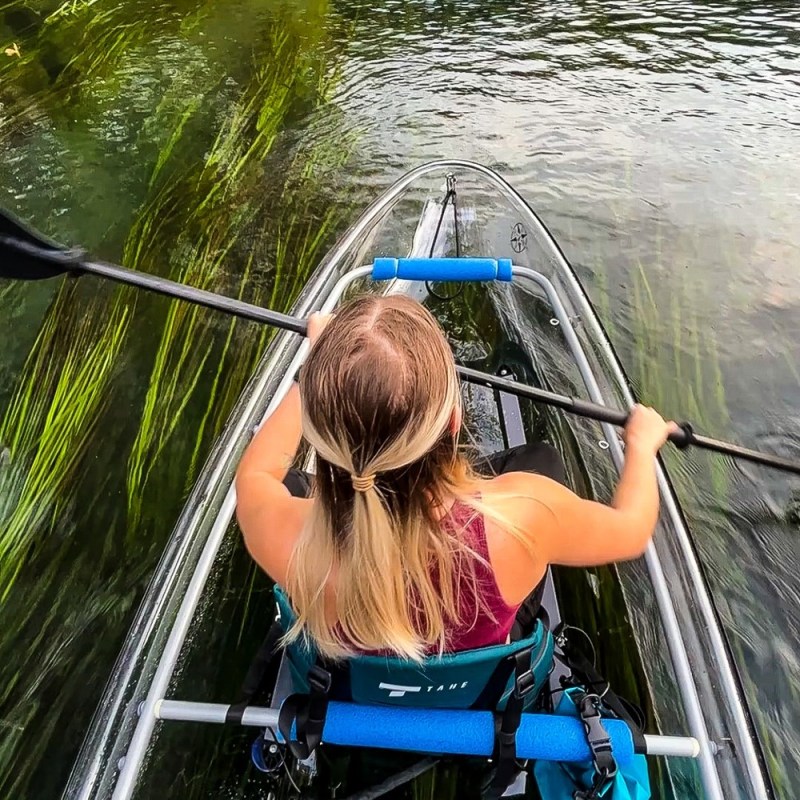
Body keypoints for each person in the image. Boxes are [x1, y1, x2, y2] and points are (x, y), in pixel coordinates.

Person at [235, 294, 677, 663]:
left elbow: (259, 471)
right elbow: (633, 530)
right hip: (473, 688)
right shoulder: (526, 516)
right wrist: (640, 446)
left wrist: (314, 364)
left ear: (317, 430)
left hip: (355, 685)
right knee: (541, 459)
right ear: (453, 421)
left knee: (290, 485)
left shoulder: (285, 534)